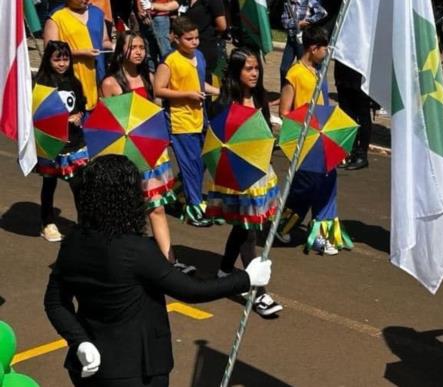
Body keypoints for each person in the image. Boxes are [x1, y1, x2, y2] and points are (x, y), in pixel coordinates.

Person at [44, 155, 272, 387]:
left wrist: (79, 341)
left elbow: (55, 303)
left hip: (88, 368)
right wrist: (246, 278)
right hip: (137, 371)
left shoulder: (72, 243)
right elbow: (191, 290)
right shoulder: (138, 250)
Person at [100, 32, 194, 274]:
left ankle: (169, 261)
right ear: (122, 50)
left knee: (157, 207)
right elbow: (110, 123)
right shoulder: (111, 83)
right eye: (134, 47)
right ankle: (122, 261)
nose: (139, 52)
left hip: (151, 152)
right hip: (126, 155)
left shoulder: (149, 78)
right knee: (127, 212)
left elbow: (154, 114)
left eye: (142, 47)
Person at [206, 48, 283, 317]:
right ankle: (257, 292)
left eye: (256, 69)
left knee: (244, 228)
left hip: (260, 172)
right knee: (249, 232)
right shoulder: (223, 104)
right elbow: (218, 140)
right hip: (237, 177)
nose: (254, 74)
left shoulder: (261, 99)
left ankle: (225, 270)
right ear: (236, 72)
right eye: (248, 69)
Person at [278, 27, 353, 254]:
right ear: (313, 48)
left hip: (324, 137)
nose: (327, 52)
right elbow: (284, 111)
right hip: (306, 140)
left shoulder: (318, 70)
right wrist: (305, 127)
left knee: (328, 184)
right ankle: (283, 223)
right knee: (304, 187)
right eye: (324, 48)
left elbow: (325, 105)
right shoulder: (295, 74)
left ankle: (322, 234)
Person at [154, 17, 220, 226]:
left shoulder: (199, 57)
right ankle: (194, 208)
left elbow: (201, 85)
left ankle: (178, 192)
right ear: (176, 38)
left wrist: (219, 91)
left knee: (202, 163)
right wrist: (187, 95)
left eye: (196, 38)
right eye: (189, 38)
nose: (194, 42)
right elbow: (159, 90)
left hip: (200, 119)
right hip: (179, 122)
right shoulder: (169, 61)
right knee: (191, 165)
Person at [34, 41, 88, 242]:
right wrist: (62, 120)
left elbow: (81, 104)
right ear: (48, 60)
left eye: (65, 59)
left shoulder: (74, 82)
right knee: (49, 184)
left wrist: (79, 115)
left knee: (79, 184)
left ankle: (84, 223)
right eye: (57, 59)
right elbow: (38, 114)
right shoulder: (42, 84)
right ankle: (47, 222)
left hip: (74, 142)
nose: (62, 63)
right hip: (51, 144)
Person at [43, 0, 114, 112]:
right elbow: (50, 52)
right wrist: (81, 53)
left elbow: (104, 40)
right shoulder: (57, 17)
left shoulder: (97, 13)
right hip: (70, 79)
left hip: (97, 76)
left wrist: (114, 46)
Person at [154, 0, 227, 80]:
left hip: (205, 46)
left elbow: (222, 25)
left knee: (201, 80)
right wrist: (152, 5)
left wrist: (204, 30)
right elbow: (172, 5)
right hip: (187, 46)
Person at [280, 0, 327, 85]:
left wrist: (308, 21)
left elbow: (323, 12)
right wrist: (296, 23)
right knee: (284, 69)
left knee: (305, 68)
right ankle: (285, 93)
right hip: (291, 39)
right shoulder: (288, 2)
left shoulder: (308, 0)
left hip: (303, 40)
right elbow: (284, 21)